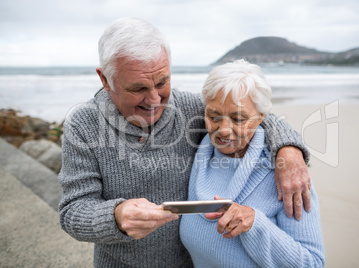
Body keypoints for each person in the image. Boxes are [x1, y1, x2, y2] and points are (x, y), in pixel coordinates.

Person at [58, 17, 312, 267]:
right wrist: (114, 216)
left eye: (162, 82)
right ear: (105, 80)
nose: (155, 99)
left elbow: (252, 115)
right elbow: (72, 211)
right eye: (137, 89)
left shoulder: (190, 108)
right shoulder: (83, 125)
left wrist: (290, 151)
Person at [180, 59, 325, 267]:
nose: (223, 130)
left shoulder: (287, 175)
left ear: (261, 118)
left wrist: (255, 224)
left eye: (238, 119)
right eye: (214, 116)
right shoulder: (199, 150)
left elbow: (313, 263)